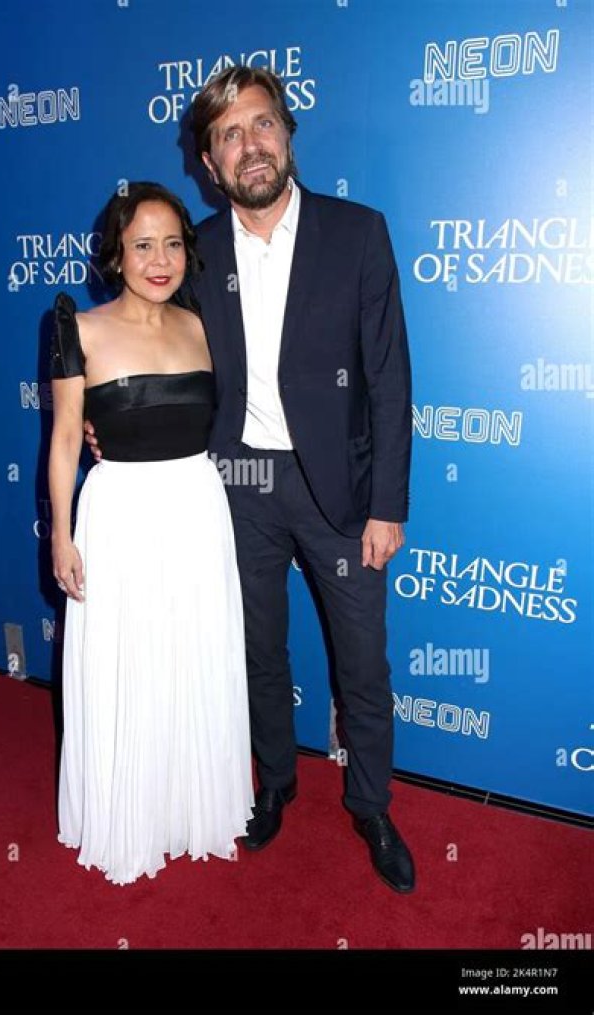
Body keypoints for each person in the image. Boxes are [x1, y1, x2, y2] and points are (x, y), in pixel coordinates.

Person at [86, 67, 415, 893]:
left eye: (262, 124)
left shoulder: (358, 233)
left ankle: (372, 805)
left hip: (341, 492)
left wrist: (387, 504)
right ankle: (273, 784)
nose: (250, 145)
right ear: (208, 161)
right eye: (229, 134)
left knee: (362, 662)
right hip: (232, 487)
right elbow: (149, 345)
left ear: (288, 135)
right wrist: (105, 421)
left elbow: (390, 378)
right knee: (256, 649)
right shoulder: (195, 253)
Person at [48, 181, 254, 886]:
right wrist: (60, 535)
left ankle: (188, 805)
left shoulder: (203, 324)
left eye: (171, 244)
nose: (159, 260)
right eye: (142, 245)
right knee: (128, 658)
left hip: (196, 505)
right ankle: (128, 813)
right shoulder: (79, 327)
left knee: (191, 653)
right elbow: (66, 437)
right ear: (116, 254)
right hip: (120, 514)